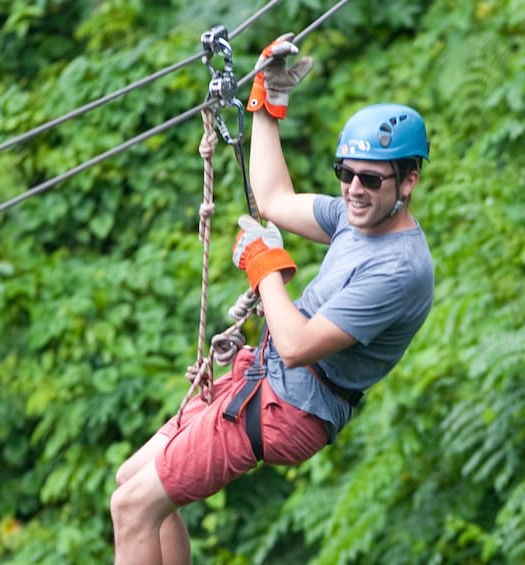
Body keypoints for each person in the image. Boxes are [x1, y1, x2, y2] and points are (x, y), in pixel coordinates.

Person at [109, 33, 434, 564]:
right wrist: (266, 102)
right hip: (266, 381)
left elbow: (298, 343)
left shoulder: (398, 271)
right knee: (132, 485)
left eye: (371, 179)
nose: (353, 189)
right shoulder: (360, 221)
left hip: (290, 407)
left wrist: (265, 267)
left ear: (408, 181)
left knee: (133, 507)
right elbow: (275, 199)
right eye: (345, 174)